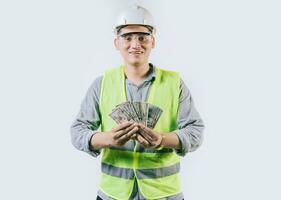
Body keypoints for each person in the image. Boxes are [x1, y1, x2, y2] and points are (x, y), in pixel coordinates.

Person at [70, 5, 205, 200]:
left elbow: (195, 131)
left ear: (153, 42)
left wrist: (161, 140)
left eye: (143, 37)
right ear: (116, 42)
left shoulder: (175, 84)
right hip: (112, 194)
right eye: (127, 37)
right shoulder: (102, 84)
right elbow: (78, 131)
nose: (135, 44)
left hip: (164, 194)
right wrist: (107, 139)